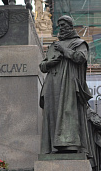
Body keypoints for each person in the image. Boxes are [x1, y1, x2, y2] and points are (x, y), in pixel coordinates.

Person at [39, 15, 93, 155]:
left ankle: (69, 145)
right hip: (52, 84)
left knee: (68, 113)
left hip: (68, 84)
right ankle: (51, 147)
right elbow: (43, 66)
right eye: (59, 25)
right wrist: (50, 63)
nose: (61, 28)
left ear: (70, 26)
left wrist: (64, 50)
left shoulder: (79, 43)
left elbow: (81, 58)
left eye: (63, 24)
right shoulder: (54, 45)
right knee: (52, 114)